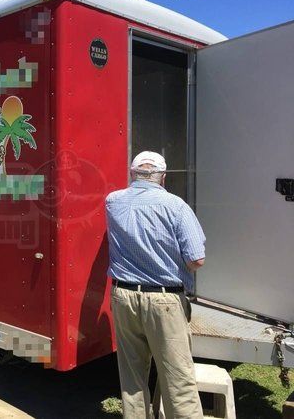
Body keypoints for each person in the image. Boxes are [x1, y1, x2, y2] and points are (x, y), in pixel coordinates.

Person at [105, 151, 206, 419]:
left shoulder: (113, 202)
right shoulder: (176, 206)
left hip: (123, 296)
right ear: (163, 177)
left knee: (132, 379)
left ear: (132, 173)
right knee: (177, 379)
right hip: (164, 301)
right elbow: (196, 259)